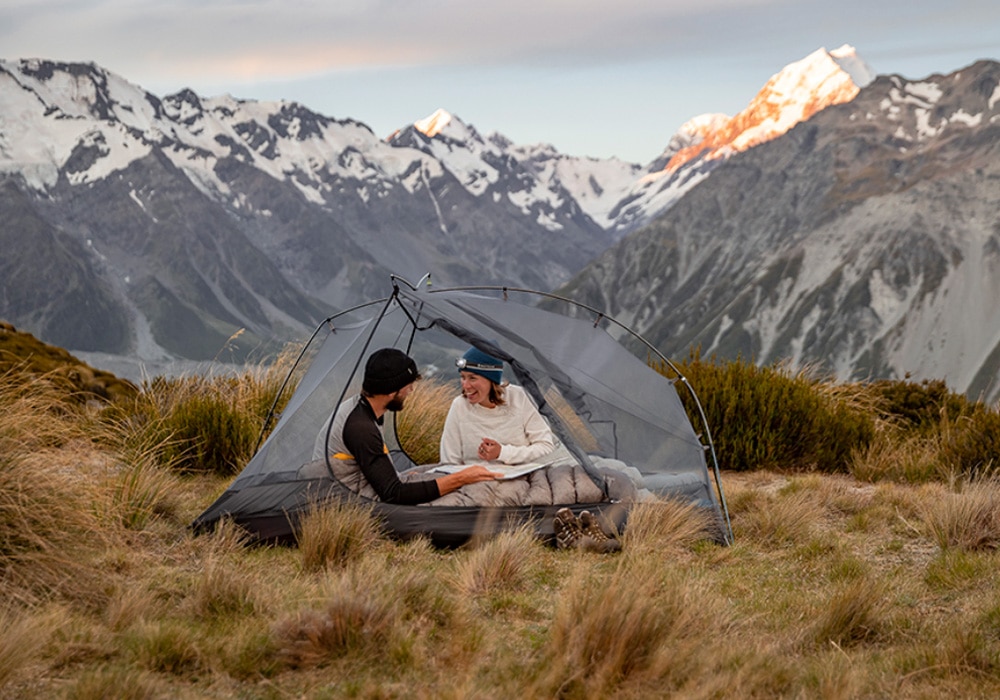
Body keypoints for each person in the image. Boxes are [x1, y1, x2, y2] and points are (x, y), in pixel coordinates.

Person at [318, 348, 500, 505]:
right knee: (468, 488)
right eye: (408, 386)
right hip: (351, 502)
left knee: (440, 470)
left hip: (366, 488)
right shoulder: (360, 427)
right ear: (391, 391)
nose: (411, 391)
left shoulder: (362, 408)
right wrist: (460, 479)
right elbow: (393, 494)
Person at [439, 346, 555, 466]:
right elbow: (449, 461)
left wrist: (502, 453)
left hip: (522, 476)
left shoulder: (520, 398)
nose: (466, 386)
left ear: (492, 380)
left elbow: (546, 448)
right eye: (463, 377)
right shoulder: (459, 405)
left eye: (472, 378)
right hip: (475, 479)